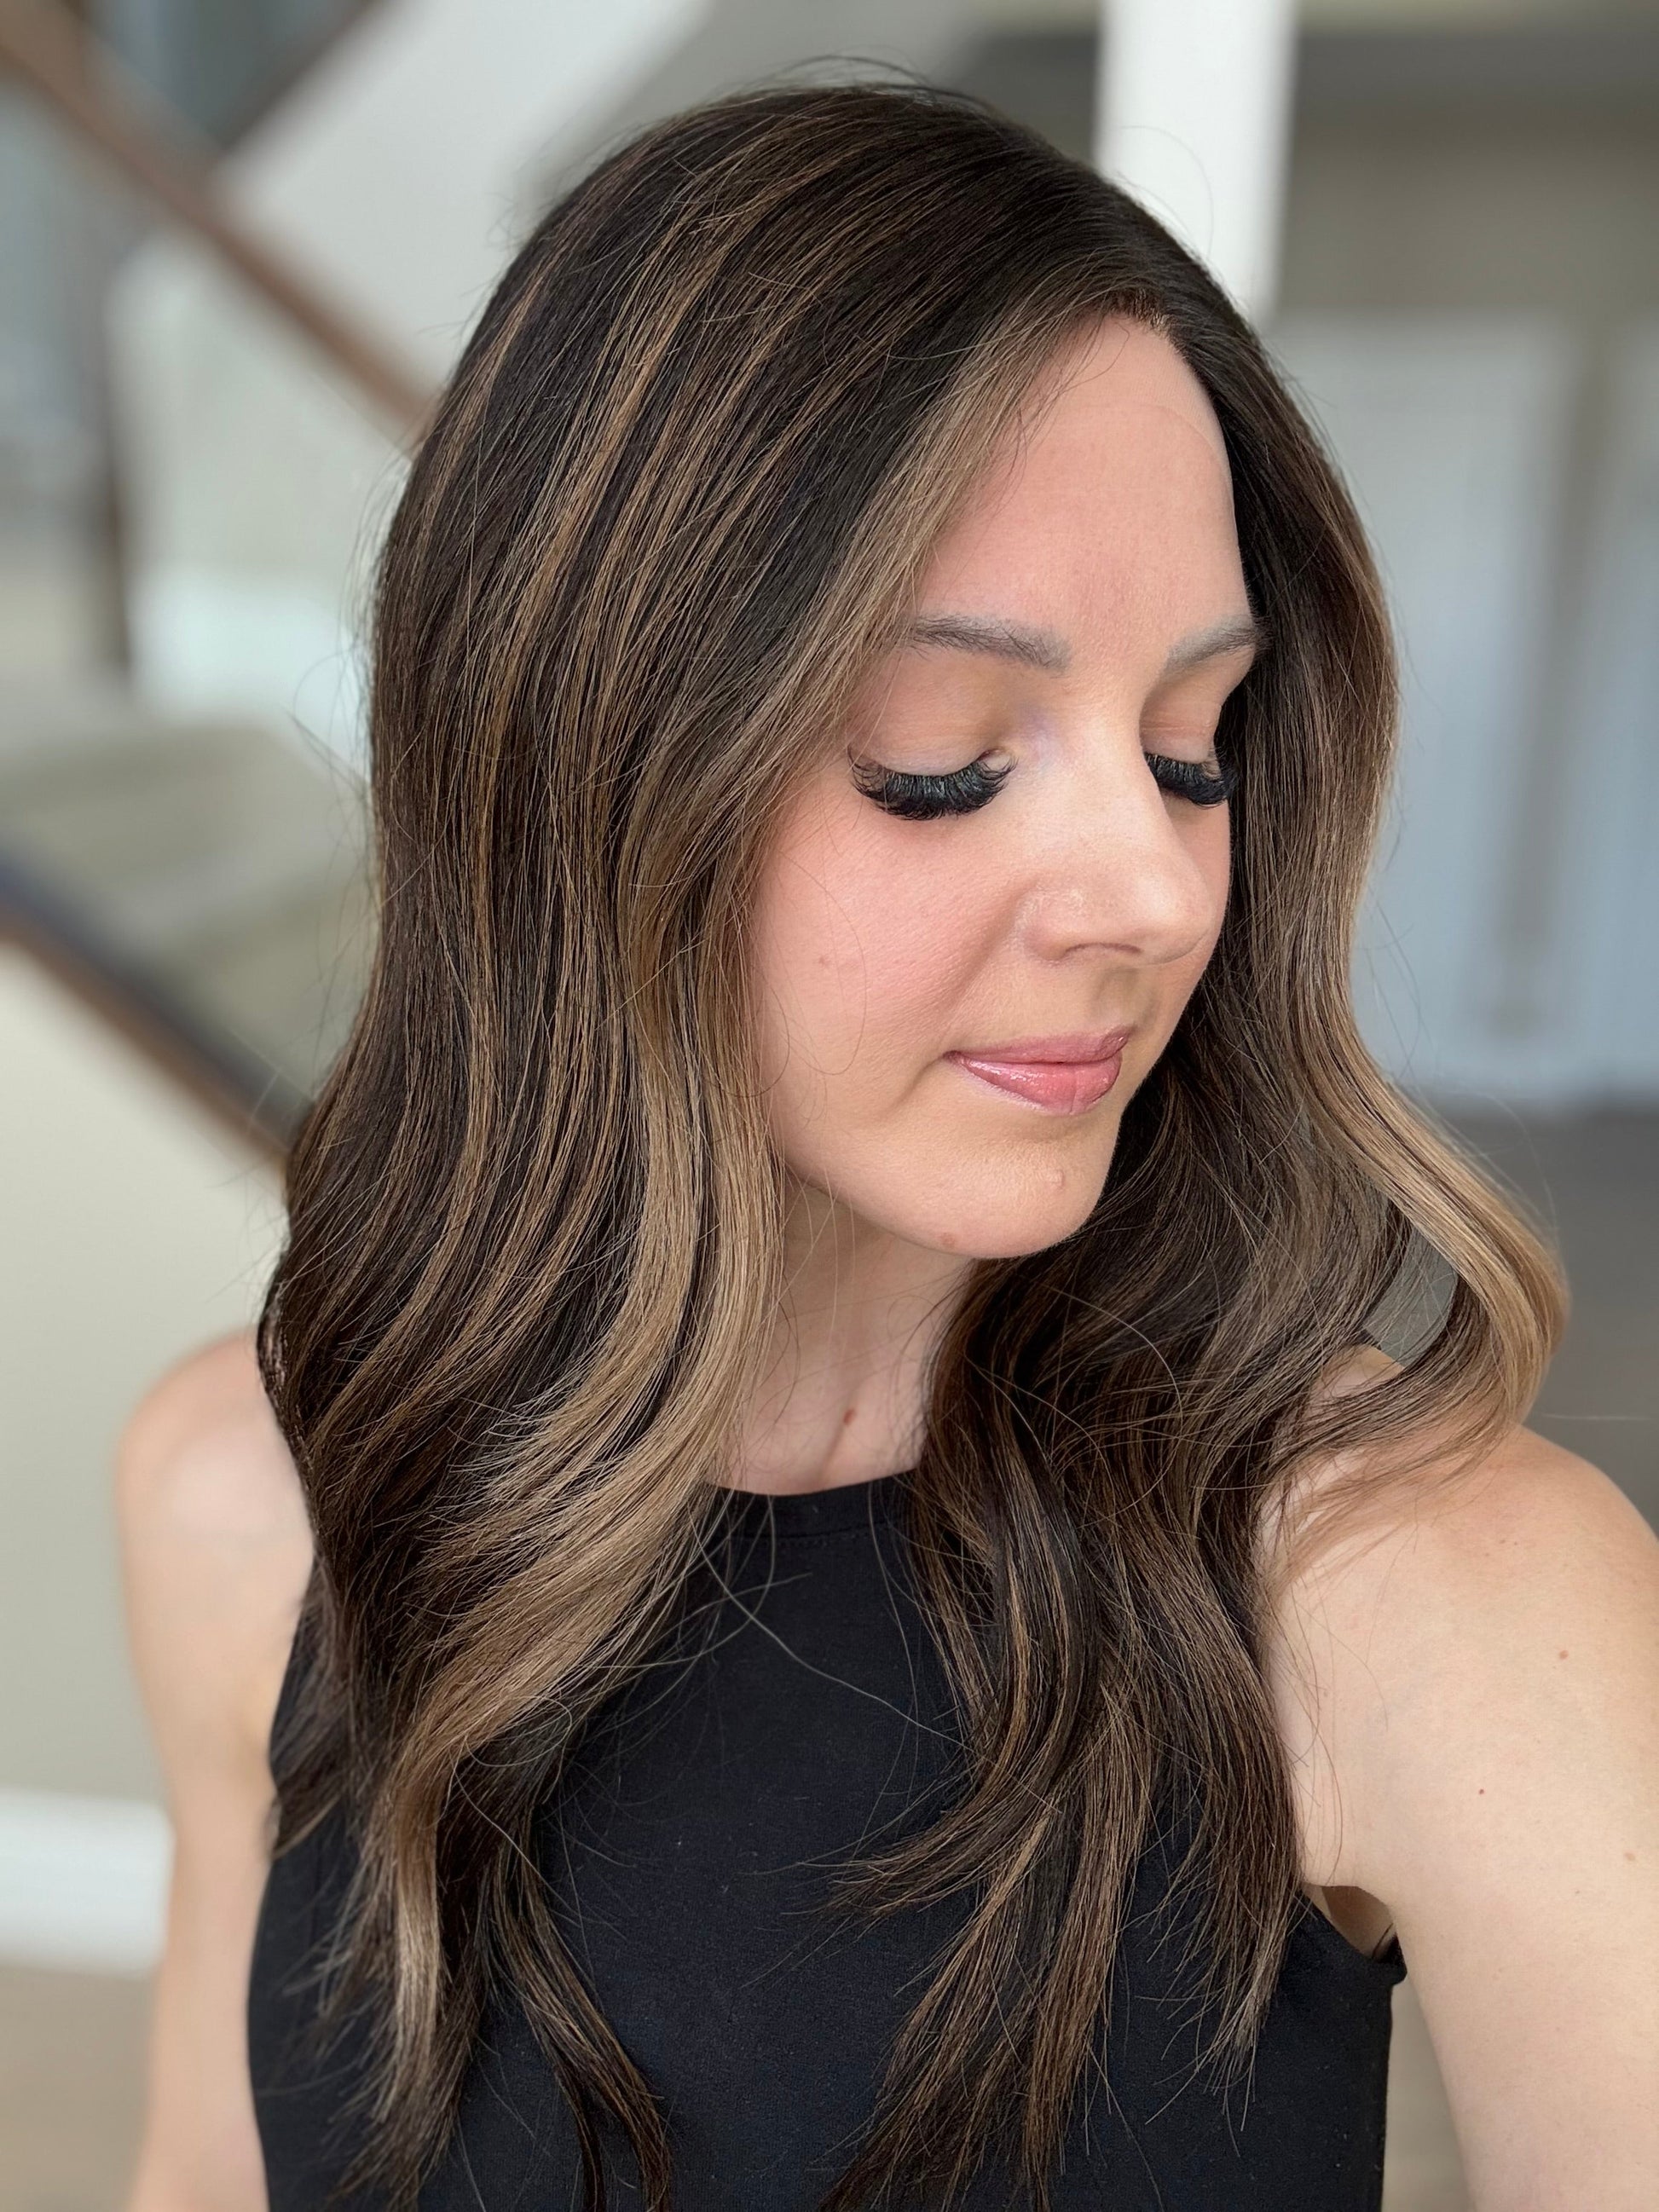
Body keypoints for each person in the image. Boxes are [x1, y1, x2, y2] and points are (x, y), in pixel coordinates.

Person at [115, 77, 1657, 2212]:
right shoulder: (253, 1503)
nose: (1153, 891)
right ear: (579, 774)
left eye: (1193, 744)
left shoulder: (1429, 1589)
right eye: (945, 758)